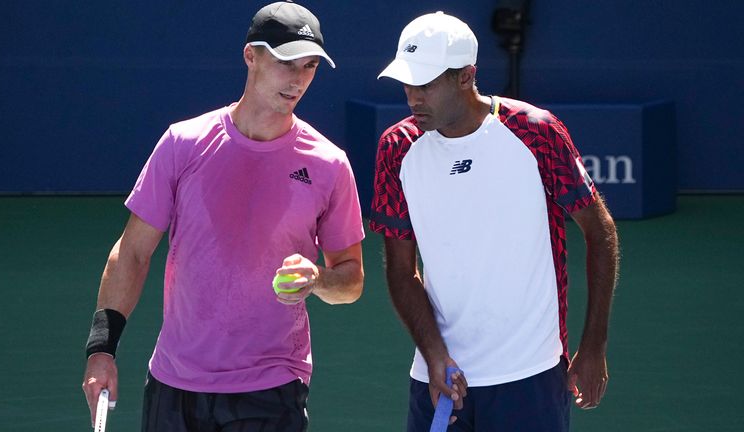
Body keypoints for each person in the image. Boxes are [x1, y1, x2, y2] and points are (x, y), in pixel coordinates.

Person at [81, 2, 365, 431]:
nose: (298, 79)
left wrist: (319, 279)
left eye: (309, 67)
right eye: (286, 61)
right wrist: (102, 349)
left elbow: (351, 280)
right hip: (175, 384)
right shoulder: (183, 144)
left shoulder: (329, 165)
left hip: (273, 385)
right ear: (251, 55)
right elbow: (133, 253)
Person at [371, 11, 619, 431]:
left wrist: (593, 344)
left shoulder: (535, 132)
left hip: (531, 376)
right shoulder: (397, 147)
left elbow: (600, 231)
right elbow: (400, 269)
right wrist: (434, 356)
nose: (413, 97)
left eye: (426, 84)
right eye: (408, 83)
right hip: (440, 378)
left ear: (466, 77)